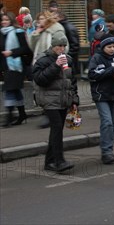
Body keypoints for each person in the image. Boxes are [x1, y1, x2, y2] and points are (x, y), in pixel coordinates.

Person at [32, 31, 79, 173]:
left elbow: (73, 81)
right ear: (53, 45)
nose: (62, 49)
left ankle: (49, 162)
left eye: (64, 46)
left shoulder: (69, 60)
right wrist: (56, 65)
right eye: (59, 45)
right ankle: (59, 161)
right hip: (48, 100)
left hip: (63, 100)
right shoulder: (43, 59)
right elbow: (39, 79)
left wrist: (74, 100)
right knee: (57, 127)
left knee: (57, 130)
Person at [87, 36, 114, 165]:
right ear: (103, 47)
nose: (112, 49)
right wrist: (110, 71)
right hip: (101, 95)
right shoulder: (96, 58)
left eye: (113, 47)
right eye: (109, 47)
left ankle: (109, 149)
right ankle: (106, 152)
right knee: (107, 122)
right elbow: (92, 75)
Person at [1, 12, 33, 127]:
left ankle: (8, 118)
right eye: (3, 20)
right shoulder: (2, 33)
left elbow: (26, 49)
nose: (4, 22)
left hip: (17, 66)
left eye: (6, 20)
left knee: (9, 89)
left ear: (11, 20)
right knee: (15, 90)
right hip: (7, 67)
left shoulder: (18, 32)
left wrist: (12, 52)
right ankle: (22, 114)